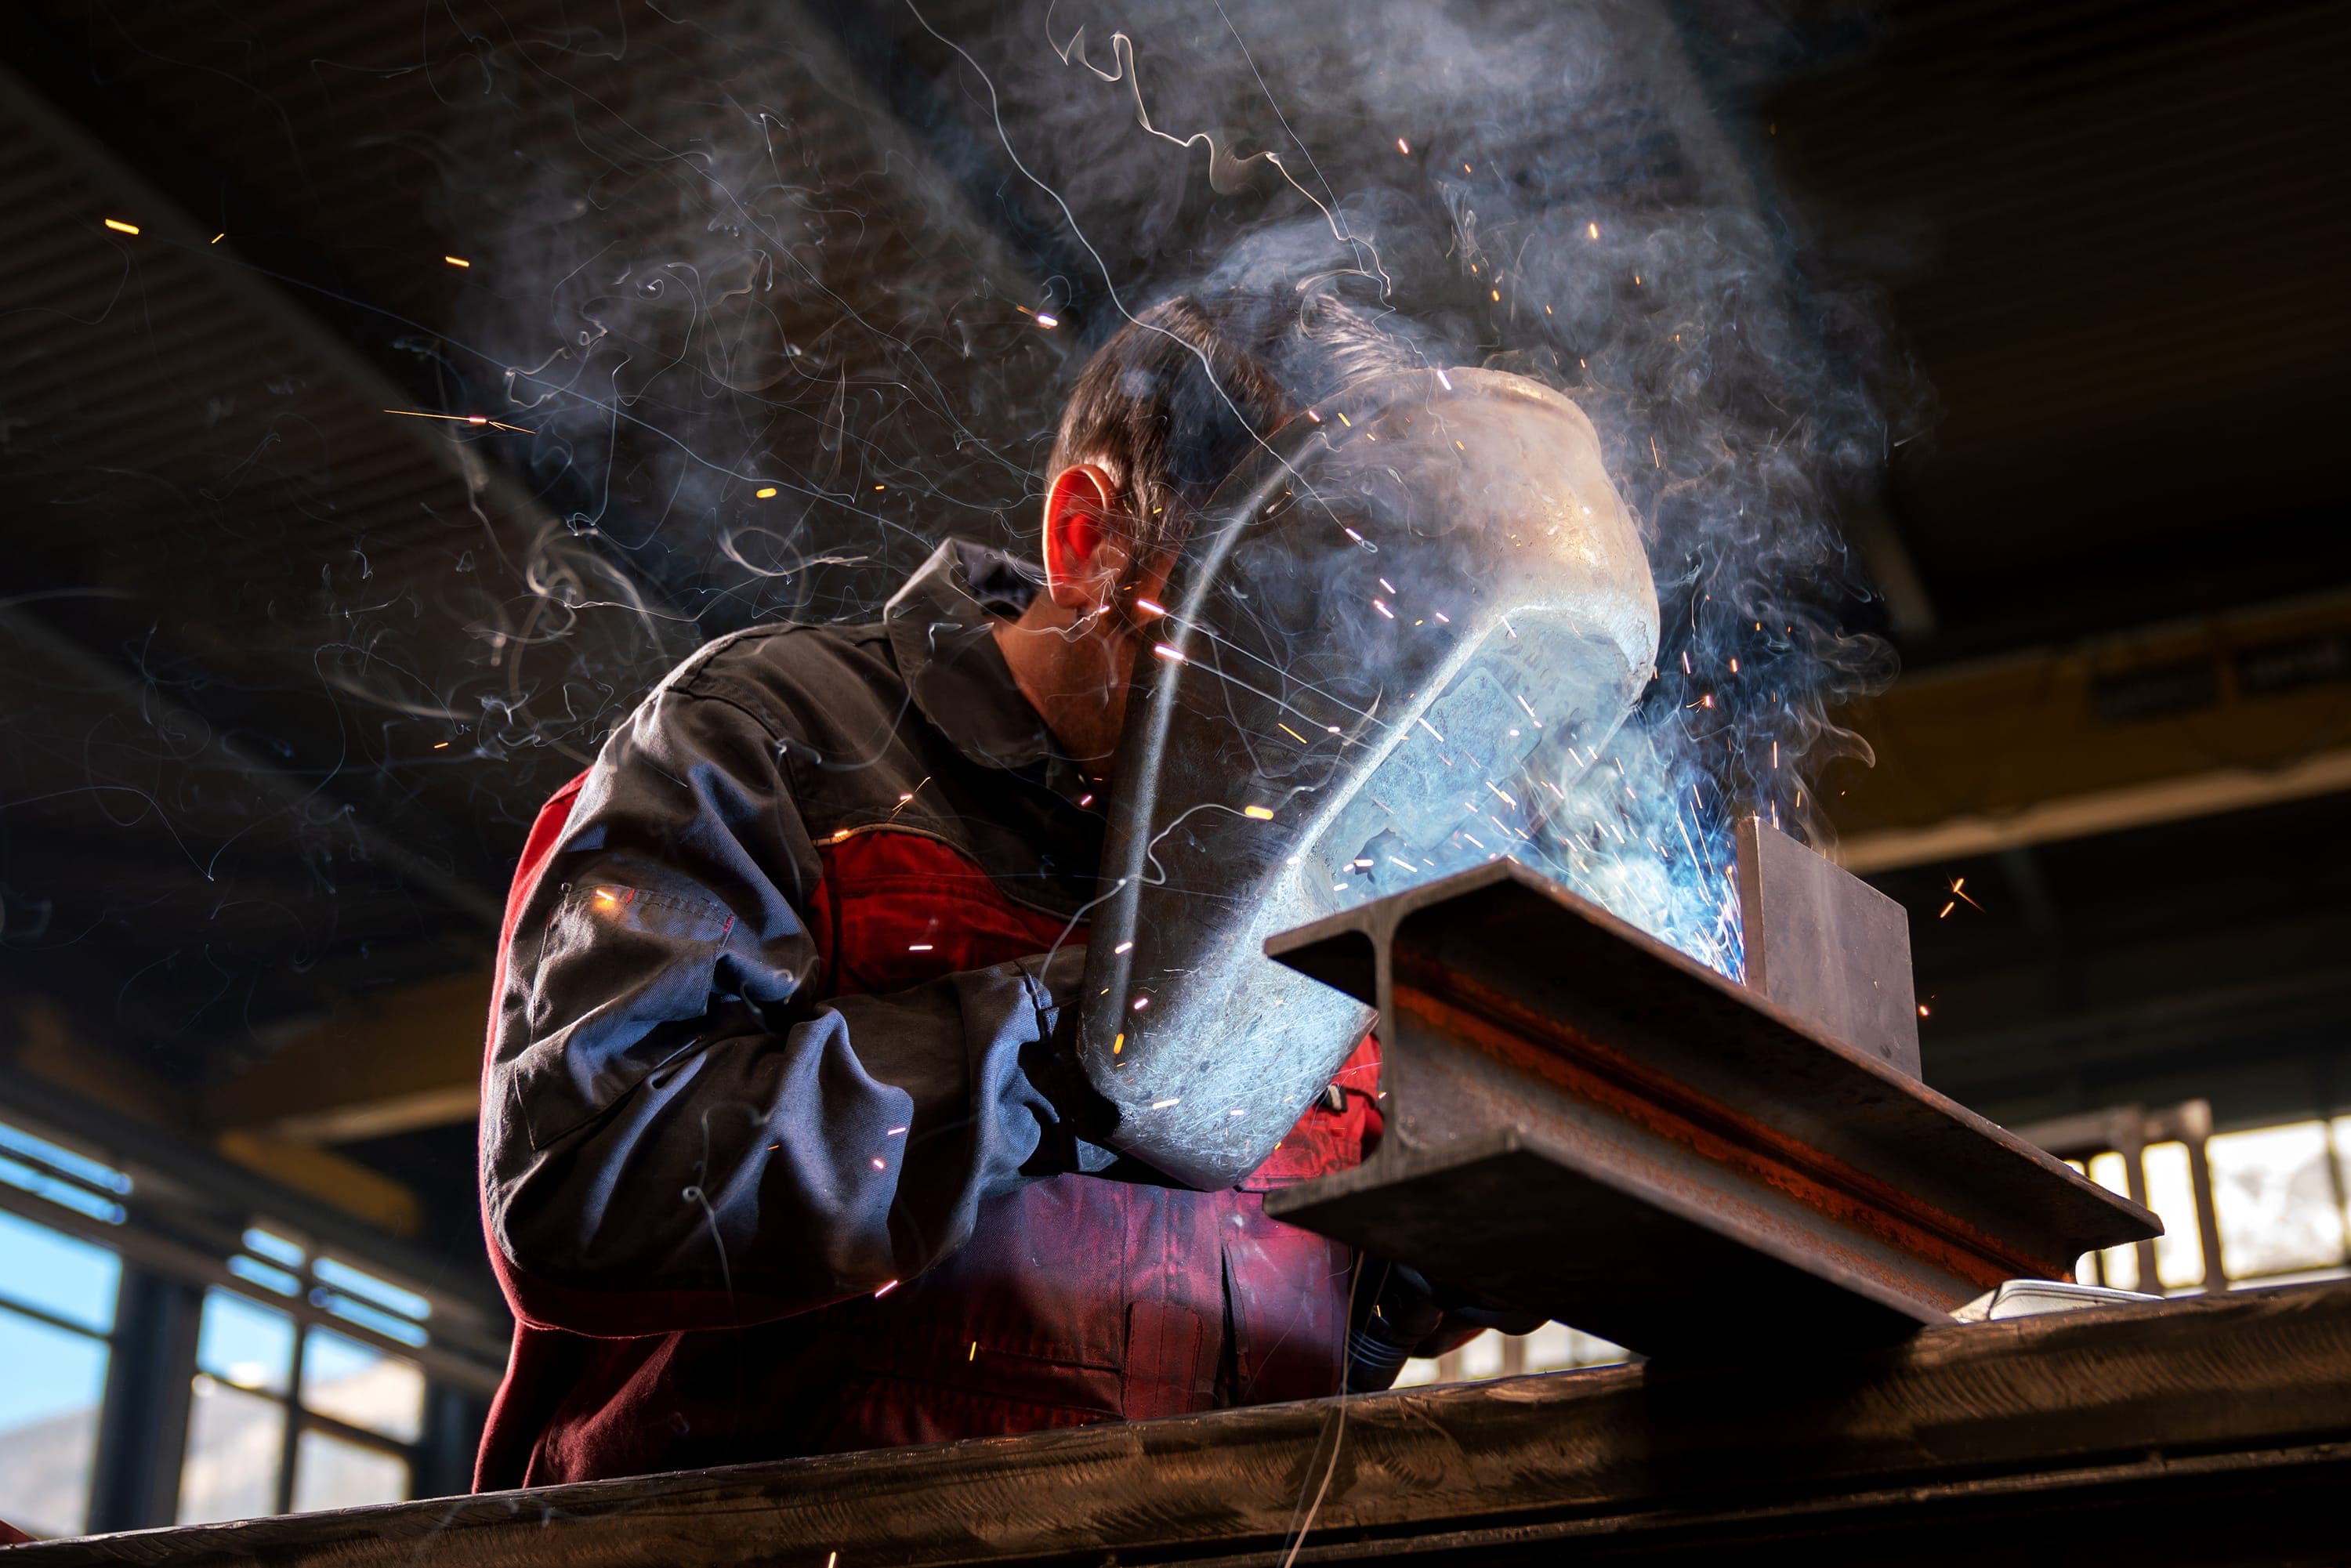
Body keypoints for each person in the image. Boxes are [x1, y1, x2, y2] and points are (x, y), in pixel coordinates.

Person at [473, 292, 1465, 1489]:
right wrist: (1082, 1037)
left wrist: (1440, 1248)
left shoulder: (1328, 879)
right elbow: (579, 1181)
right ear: (1091, 543)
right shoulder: (776, 741)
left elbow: (1320, 1326)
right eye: (1274, 613)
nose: (1316, 711)